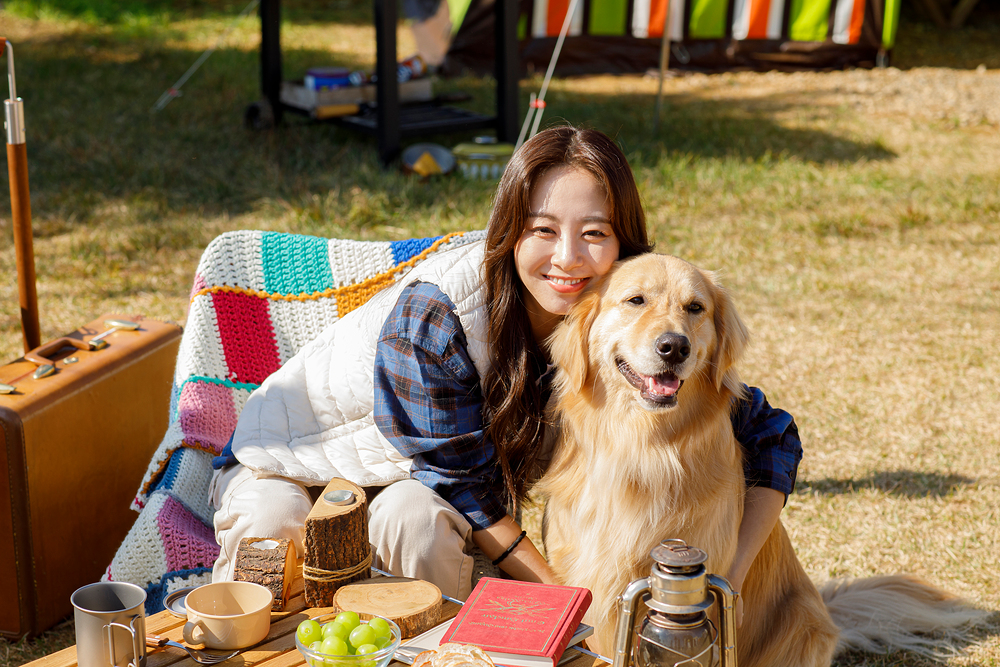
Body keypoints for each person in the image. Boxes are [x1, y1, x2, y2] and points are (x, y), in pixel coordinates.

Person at [209, 126, 801, 617]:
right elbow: (462, 486)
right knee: (274, 524)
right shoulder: (438, 316)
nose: (567, 257)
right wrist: (560, 604)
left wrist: (730, 579)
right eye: (542, 230)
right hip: (296, 457)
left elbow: (768, 432)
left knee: (411, 520)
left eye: (593, 233)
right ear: (509, 229)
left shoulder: (621, 314)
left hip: (421, 488)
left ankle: (444, 650)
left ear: (622, 243)